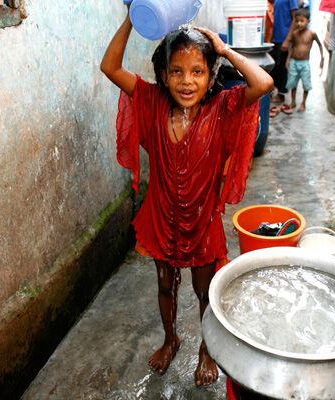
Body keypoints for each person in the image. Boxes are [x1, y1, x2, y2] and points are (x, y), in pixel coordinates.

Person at [100, 3, 273, 388]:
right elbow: (110, 67)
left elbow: (262, 85)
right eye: (176, 71)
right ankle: (171, 338)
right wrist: (134, 16)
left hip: (202, 222)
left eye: (197, 71)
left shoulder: (224, 107)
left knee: (204, 291)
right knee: (165, 284)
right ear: (163, 75)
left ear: (212, 77)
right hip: (161, 216)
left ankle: (206, 349)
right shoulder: (150, 101)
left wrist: (226, 51)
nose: (186, 81)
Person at [285, 7, 323, 112]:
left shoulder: (312, 34)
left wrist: (322, 59)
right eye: (297, 21)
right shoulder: (295, 34)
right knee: (293, 83)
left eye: (302, 21)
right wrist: (288, 59)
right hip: (294, 62)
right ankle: (293, 101)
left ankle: (303, 103)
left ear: (308, 21)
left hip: (305, 63)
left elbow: (320, 45)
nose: (299, 24)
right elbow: (291, 46)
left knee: (306, 84)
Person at [269, 0, 299, 116]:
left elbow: (295, 18)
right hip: (277, 37)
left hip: (284, 37)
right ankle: (275, 91)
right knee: (275, 66)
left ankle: (281, 94)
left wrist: (288, 39)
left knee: (282, 68)